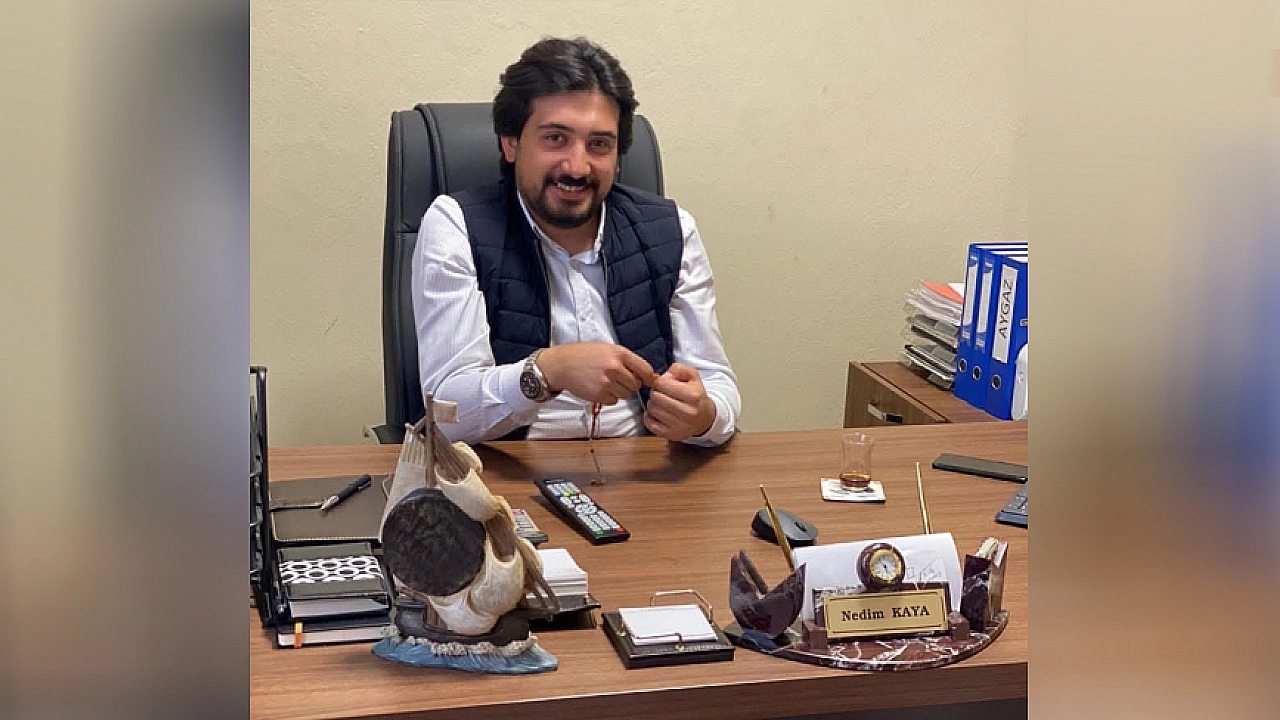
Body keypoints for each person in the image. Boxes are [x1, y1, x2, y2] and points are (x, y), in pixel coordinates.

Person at [412, 36, 739, 446]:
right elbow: (447, 415)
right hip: (506, 472)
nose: (577, 167)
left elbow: (717, 384)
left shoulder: (672, 229)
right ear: (511, 143)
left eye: (599, 145)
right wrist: (550, 370)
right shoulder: (456, 224)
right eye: (555, 138)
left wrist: (704, 416)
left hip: (643, 469)